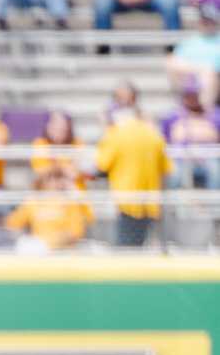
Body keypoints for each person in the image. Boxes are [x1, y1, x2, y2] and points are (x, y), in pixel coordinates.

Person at [95, 87, 172, 246]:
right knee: (143, 247)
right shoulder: (154, 135)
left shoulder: (115, 134)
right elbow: (166, 168)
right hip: (150, 201)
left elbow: (101, 165)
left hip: (126, 200)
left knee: (127, 251)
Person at [5, 170, 96, 253]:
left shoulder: (70, 202)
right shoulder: (34, 201)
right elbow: (13, 223)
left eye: (59, 178)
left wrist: (51, 243)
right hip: (38, 249)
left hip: (62, 251)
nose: (55, 182)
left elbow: (75, 232)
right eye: (51, 177)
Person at [160, 76, 220, 189]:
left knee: (216, 172)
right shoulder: (172, 116)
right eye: (189, 94)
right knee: (175, 174)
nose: (192, 98)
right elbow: (165, 140)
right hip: (181, 158)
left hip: (209, 157)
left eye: (195, 94)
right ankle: (175, 205)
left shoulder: (214, 114)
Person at [167, 0, 220, 107]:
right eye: (204, 21)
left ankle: (205, 111)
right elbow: (174, 61)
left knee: (208, 76)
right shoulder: (189, 42)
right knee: (171, 63)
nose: (207, 24)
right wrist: (200, 69)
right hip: (191, 75)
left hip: (213, 77)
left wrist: (206, 70)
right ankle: (185, 107)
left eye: (210, 21)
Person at [30, 108, 83, 184]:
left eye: (62, 128)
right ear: (48, 127)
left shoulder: (77, 143)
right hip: (48, 188)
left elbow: (74, 174)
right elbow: (40, 171)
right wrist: (62, 167)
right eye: (55, 126)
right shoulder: (40, 143)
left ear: (68, 127)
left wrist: (55, 166)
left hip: (71, 187)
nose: (58, 131)